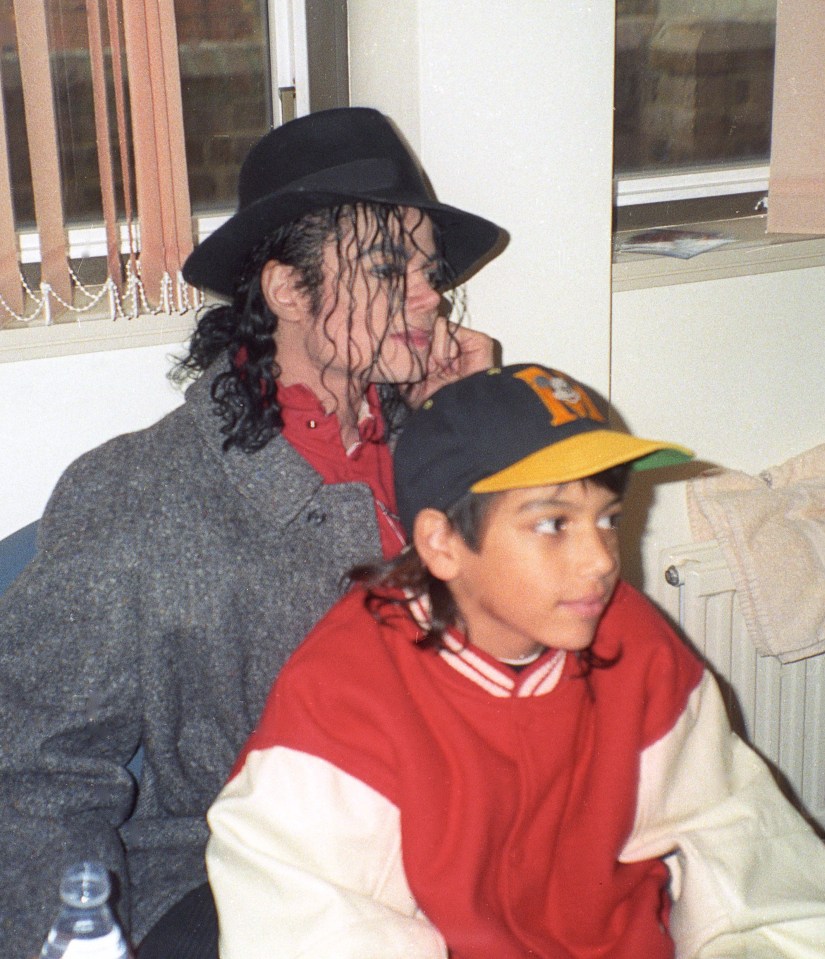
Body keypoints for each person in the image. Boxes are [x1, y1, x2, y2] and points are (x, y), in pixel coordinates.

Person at [0, 107, 506, 959]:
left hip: (459, 847)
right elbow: (39, 771)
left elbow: (529, 654)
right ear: (287, 291)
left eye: (431, 272)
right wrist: (77, 935)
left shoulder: (439, 444)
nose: (431, 298)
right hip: (232, 882)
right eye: (389, 268)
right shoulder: (139, 491)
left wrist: (478, 436)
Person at [206, 362, 825, 959]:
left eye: (607, 519)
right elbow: (316, 930)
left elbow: (740, 847)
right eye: (554, 524)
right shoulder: (344, 695)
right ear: (441, 543)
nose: (602, 560)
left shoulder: (630, 638)